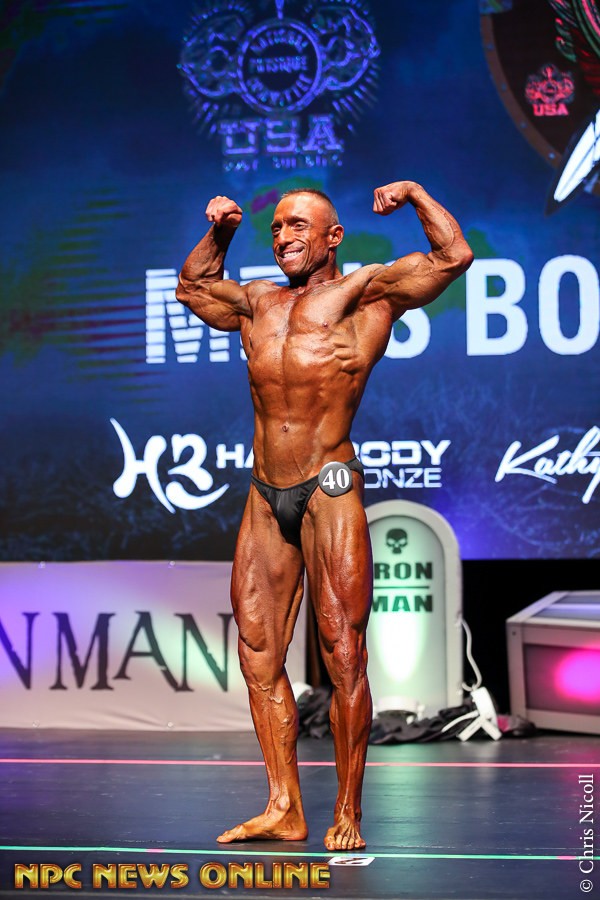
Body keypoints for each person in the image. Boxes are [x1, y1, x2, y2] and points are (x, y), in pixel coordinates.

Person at [176, 181, 473, 851]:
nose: (283, 236)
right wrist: (221, 232)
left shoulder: (366, 294)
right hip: (264, 491)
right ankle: (284, 807)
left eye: (298, 225)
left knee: (343, 653)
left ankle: (347, 811)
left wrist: (417, 195)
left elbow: (453, 257)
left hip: (329, 484)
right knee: (258, 652)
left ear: (334, 236)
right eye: (276, 227)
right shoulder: (258, 301)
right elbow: (192, 288)